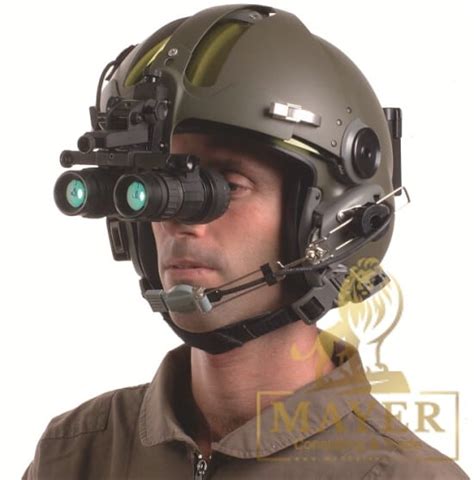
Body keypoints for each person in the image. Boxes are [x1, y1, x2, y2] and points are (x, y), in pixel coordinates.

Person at [23, 4, 468, 479]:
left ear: (327, 219)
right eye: (156, 184)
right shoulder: (77, 455)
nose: (178, 222)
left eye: (226, 187)